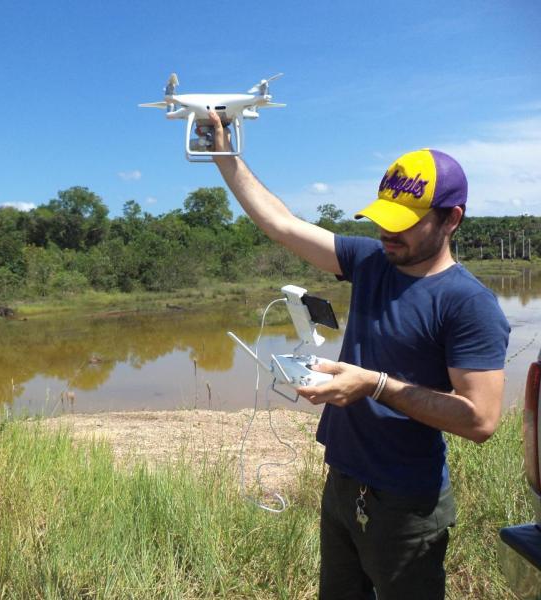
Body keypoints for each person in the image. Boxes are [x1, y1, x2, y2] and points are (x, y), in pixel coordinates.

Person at [207, 111, 510, 600]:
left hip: (406, 505)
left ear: (452, 219)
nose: (388, 236)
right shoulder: (372, 262)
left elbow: (481, 420)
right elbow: (281, 223)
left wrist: (374, 384)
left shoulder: (468, 304)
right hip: (344, 484)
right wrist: (225, 155)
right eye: (383, 222)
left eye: (405, 225)